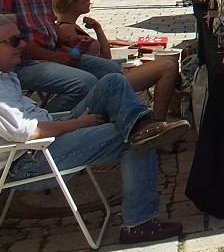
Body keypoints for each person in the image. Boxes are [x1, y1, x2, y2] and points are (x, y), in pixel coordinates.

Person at [0, 14, 186, 243]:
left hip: (47, 137)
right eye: (14, 41)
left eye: (20, 38)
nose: (23, 45)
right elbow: (27, 132)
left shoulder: (6, 76)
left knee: (112, 82)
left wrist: (68, 124)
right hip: (31, 158)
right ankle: (139, 223)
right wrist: (74, 125)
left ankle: (144, 125)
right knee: (130, 137)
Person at [52, 0, 180, 123]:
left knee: (169, 64)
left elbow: (106, 56)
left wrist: (97, 28)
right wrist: (79, 49)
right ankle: (158, 123)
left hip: (109, 76)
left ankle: (158, 122)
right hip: (105, 84)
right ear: (72, 3)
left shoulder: (72, 27)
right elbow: (72, 58)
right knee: (168, 67)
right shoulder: (66, 30)